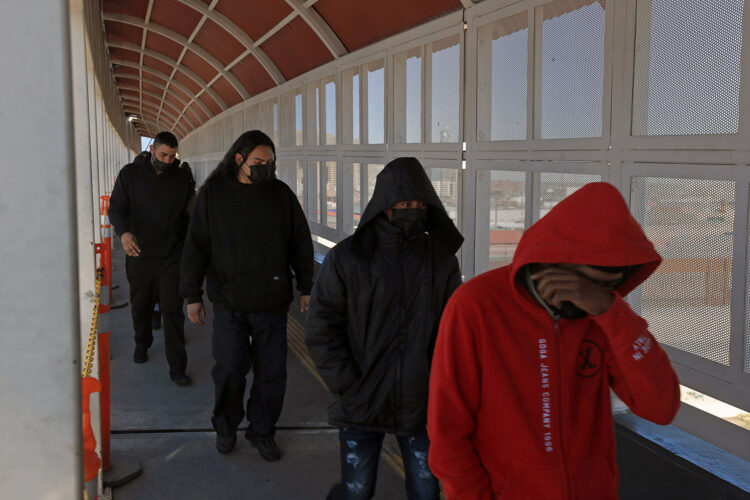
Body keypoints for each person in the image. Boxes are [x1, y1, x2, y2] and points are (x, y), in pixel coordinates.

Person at [427, 182, 680, 499]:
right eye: (585, 284)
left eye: (607, 288)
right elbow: (448, 425)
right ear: (553, 261)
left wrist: (611, 312)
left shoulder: (603, 312)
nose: (587, 297)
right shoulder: (477, 305)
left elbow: (661, 408)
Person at [305, 157, 464, 500]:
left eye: (420, 204)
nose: (413, 210)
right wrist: (346, 383)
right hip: (360, 400)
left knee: (426, 491)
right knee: (357, 490)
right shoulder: (348, 258)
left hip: (420, 402)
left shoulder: (441, 262)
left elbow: (454, 334)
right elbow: (321, 326)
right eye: (405, 204)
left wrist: (441, 388)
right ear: (385, 204)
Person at [180, 130, 314, 461]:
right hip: (229, 301)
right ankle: (226, 425)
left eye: (270, 163)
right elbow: (196, 247)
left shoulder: (281, 195)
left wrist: (307, 286)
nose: (265, 168)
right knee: (228, 368)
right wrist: (192, 295)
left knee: (272, 373)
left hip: (271, 302)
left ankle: (263, 431)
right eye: (258, 162)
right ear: (239, 159)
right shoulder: (213, 195)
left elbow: (300, 241)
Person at [108, 131, 194, 386]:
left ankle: (177, 366)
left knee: (172, 311)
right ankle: (141, 343)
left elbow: (191, 216)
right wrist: (123, 233)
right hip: (139, 253)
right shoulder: (130, 174)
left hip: (171, 256)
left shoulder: (181, 179)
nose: (168, 160)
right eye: (163, 154)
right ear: (152, 149)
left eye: (172, 156)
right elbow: (116, 208)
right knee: (140, 305)